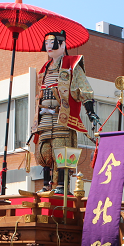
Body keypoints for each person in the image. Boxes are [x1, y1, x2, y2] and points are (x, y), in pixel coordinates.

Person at [30, 30, 100, 193]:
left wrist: (90, 111)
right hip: (45, 118)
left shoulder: (72, 64)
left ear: (62, 44)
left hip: (63, 117)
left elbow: (84, 88)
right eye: (46, 43)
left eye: (52, 43)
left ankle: (62, 185)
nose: (49, 47)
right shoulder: (44, 69)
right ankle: (47, 184)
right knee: (45, 151)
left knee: (62, 150)